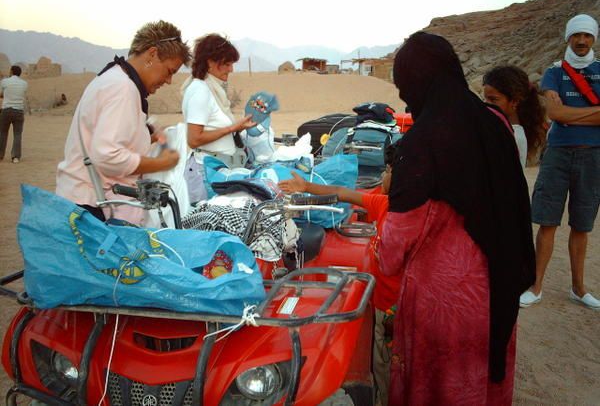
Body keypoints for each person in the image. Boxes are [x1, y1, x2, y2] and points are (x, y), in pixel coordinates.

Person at [380, 32, 535, 405]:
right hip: (498, 285)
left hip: (444, 306)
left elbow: (393, 250)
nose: (405, 98)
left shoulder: (421, 144)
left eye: (405, 87)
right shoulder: (495, 123)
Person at [278, 146, 399, 406]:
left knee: (392, 373)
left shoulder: (407, 217)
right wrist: (306, 186)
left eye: (388, 170)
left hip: (396, 312)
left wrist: (396, 313)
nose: (384, 176)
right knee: (380, 366)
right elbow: (344, 193)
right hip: (382, 308)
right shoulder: (383, 203)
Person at [56, 20, 191, 224]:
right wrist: (163, 163)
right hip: (92, 209)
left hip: (84, 203)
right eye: (170, 71)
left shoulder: (114, 79)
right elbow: (108, 156)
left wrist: (148, 137)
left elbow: (107, 139)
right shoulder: (122, 88)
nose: (169, 80)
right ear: (152, 54)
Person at [520, 13, 600, 309]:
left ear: (594, 39)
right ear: (568, 38)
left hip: (593, 156)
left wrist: (570, 114)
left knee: (582, 224)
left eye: (587, 36)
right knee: (548, 221)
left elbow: (565, 114)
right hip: (558, 154)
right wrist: (591, 114)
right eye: (576, 36)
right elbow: (555, 114)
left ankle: (579, 289)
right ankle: (536, 285)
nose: (581, 41)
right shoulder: (554, 72)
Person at [181, 33, 255, 203]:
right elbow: (194, 139)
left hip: (218, 169)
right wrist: (232, 128)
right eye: (227, 64)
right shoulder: (200, 90)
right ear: (210, 62)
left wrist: (239, 127)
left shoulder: (211, 89)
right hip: (207, 172)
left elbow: (213, 127)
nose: (231, 69)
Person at [482, 65, 546, 168]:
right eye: (485, 99)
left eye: (493, 100)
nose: (486, 105)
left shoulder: (512, 136)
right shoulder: (500, 130)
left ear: (514, 101)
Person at [0, 65, 29, 163]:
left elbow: (1, 93)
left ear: (11, 71)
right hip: (18, 111)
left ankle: (0, 155)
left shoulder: (4, 82)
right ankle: (15, 157)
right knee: (17, 134)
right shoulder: (24, 83)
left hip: (6, 110)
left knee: (3, 133)